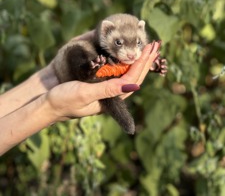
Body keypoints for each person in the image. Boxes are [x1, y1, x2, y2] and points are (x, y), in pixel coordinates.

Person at [0, 33, 161, 156]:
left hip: (82, 71)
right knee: (76, 54)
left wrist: (47, 78)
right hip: (83, 69)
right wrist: (50, 108)